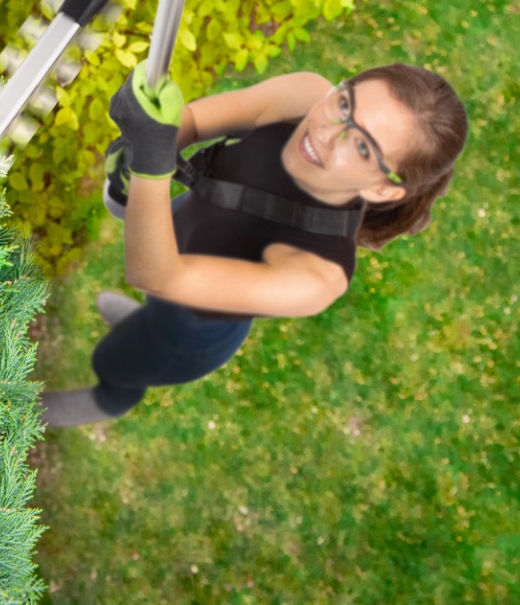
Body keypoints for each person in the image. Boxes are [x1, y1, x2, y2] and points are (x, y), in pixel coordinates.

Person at [39, 60, 468, 427]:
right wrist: (149, 138)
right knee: (152, 285)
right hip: (185, 224)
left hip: (190, 328)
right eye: (343, 104)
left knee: (117, 358)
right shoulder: (304, 96)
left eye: (360, 146)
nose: (325, 134)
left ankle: (111, 398)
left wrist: (152, 164)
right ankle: (142, 319)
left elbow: (157, 273)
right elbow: (193, 122)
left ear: (382, 190)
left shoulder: (317, 276)